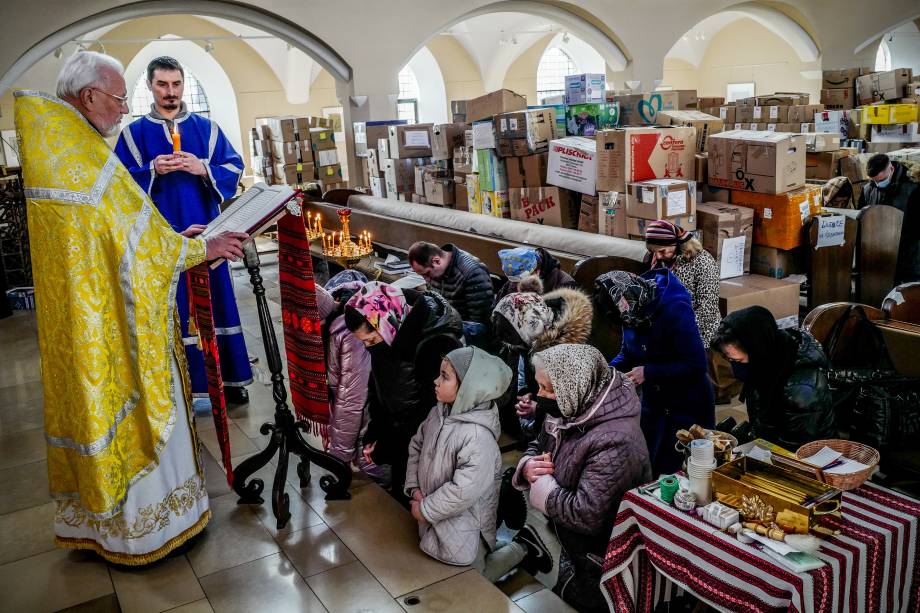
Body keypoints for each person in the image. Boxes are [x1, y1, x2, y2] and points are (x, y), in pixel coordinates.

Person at [14, 51, 246, 564]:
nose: (123, 110)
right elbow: (128, 232)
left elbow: (120, 226)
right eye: (119, 99)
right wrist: (195, 248)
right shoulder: (87, 152)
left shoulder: (63, 145)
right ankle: (145, 526)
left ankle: (100, 521)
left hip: (91, 311)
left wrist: (196, 182)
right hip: (115, 313)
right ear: (90, 96)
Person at [115, 56, 252, 405]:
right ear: (150, 86)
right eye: (162, 84)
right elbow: (116, 187)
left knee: (218, 300)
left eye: (176, 84)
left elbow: (235, 168)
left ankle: (230, 379)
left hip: (208, 234)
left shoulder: (207, 130)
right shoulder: (132, 135)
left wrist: (203, 167)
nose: (170, 92)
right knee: (172, 307)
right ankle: (180, 385)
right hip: (162, 240)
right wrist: (151, 170)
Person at [512, 344, 651, 612]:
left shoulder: (615, 441)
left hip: (596, 562)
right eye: (539, 386)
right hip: (567, 546)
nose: (540, 395)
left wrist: (546, 494)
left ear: (576, 387)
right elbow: (538, 445)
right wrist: (528, 465)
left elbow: (588, 515)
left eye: (548, 389)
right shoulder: (570, 410)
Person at [404, 347, 553, 581]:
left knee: (475, 578)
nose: (436, 380)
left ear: (468, 388)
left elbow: (463, 490)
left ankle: (523, 547)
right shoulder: (438, 413)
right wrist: (414, 489)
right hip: (436, 512)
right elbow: (416, 446)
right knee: (444, 559)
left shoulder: (477, 437)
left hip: (466, 524)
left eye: (444, 377)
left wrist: (425, 509)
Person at [344, 281, 463, 503]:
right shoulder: (388, 335)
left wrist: (391, 441)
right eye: (364, 343)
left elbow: (432, 408)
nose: (370, 347)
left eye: (372, 339)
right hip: (401, 435)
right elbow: (379, 384)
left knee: (422, 502)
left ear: (387, 319)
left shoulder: (436, 342)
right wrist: (376, 428)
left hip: (427, 442)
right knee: (403, 495)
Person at [595, 270, 714, 475]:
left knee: (682, 472)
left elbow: (696, 364)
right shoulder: (631, 311)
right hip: (655, 404)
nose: (625, 323)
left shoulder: (674, 309)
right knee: (652, 465)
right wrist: (608, 370)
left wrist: (648, 372)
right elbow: (628, 352)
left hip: (687, 405)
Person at [712, 306, 836, 449]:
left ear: (756, 347)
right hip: (774, 444)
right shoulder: (766, 364)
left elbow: (796, 448)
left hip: (807, 457)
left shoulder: (799, 387)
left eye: (738, 361)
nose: (734, 365)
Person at [492, 281, 593, 439]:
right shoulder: (531, 337)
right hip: (541, 414)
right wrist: (525, 395)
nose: (516, 347)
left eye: (518, 343)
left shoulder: (570, 351)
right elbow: (523, 373)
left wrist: (538, 408)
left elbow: (575, 407)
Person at [315, 271, 386, 482]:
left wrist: (339, 457)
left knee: (370, 466)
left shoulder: (351, 335)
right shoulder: (338, 308)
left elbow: (351, 400)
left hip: (372, 421)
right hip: (364, 416)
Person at [644, 220, 721, 348]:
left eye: (662, 251)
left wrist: (677, 330)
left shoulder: (702, 261)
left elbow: (708, 308)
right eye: (654, 252)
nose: (657, 256)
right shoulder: (659, 261)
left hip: (699, 335)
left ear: (675, 244)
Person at [407, 241, 493, 347]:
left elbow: (479, 325)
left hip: (467, 338)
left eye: (427, 273)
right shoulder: (436, 271)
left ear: (436, 261)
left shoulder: (472, 272)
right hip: (446, 327)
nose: (426, 279)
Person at [859, 153, 920, 283]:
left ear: (891, 169)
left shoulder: (913, 189)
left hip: (907, 256)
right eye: (874, 180)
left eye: (881, 180)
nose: (878, 183)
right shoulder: (868, 189)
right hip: (879, 253)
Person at [494, 246, 577, 302]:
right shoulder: (514, 279)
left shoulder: (565, 284)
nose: (517, 285)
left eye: (521, 281)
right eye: (514, 281)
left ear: (536, 270)